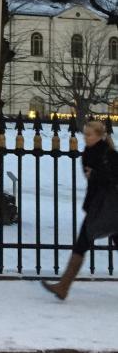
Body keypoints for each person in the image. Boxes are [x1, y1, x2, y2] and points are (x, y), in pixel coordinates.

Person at [42, 119, 118, 300]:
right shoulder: (88, 153)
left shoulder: (110, 154)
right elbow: (90, 177)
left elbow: (111, 178)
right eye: (85, 134)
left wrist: (96, 175)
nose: (85, 138)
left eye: (89, 135)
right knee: (84, 241)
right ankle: (63, 286)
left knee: (82, 242)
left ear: (99, 136)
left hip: (109, 206)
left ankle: (63, 286)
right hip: (99, 205)